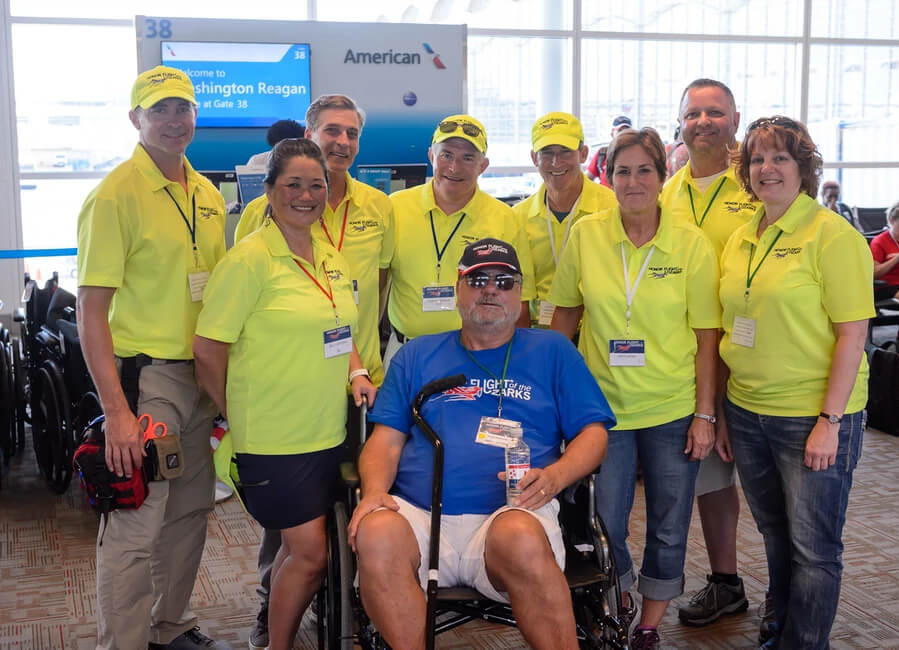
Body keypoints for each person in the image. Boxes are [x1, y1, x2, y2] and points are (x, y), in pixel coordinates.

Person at [349, 238, 614, 650]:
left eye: (504, 281)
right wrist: (376, 494)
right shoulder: (416, 355)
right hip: (420, 516)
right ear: (458, 288)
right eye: (478, 280)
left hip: (512, 511)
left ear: (520, 293)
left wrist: (556, 476)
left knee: (520, 536)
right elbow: (385, 440)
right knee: (376, 532)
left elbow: (594, 434)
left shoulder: (553, 351)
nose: (491, 289)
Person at [194, 138, 377, 649]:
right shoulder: (249, 259)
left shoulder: (330, 257)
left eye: (315, 185)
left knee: (307, 551)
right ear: (269, 192)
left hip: (330, 429)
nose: (306, 195)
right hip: (275, 438)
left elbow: (343, 331)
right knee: (311, 554)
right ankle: (276, 645)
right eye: (292, 184)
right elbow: (208, 349)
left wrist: (358, 371)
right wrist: (238, 413)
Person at [76, 65, 231, 650]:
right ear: (136, 119)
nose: (173, 120)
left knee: (190, 511)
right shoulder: (115, 195)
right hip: (148, 383)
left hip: (200, 376)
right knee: (137, 520)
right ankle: (125, 641)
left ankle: (169, 626)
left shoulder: (208, 194)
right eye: (159, 109)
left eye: (182, 109)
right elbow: (92, 311)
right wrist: (117, 410)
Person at [232, 95, 395, 649]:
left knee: (345, 498)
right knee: (289, 523)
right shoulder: (262, 217)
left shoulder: (379, 206)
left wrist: (359, 363)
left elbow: (380, 283)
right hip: (287, 393)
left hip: (357, 380)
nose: (342, 142)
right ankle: (269, 608)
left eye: (351, 133)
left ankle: (350, 604)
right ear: (309, 132)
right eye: (332, 131)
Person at [549, 126, 721, 650]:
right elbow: (566, 316)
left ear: (661, 175)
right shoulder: (587, 234)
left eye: (644, 170)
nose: (633, 181)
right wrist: (552, 399)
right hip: (603, 411)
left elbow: (707, 335)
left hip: (672, 407)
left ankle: (648, 624)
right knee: (606, 523)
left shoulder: (690, 243)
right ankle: (617, 605)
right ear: (608, 175)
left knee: (670, 524)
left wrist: (705, 415)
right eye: (622, 171)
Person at [721, 115, 873, 649]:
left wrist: (830, 422)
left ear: (804, 168)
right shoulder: (743, 236)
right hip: (746, 410)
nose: (767, 168)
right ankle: (777, 624)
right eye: (757, 159)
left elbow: (853, 336)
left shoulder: (833, 236)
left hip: (811, 416)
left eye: (780, 157)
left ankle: (804, 643)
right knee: (775, 534)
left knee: (814, 548)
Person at [657, 78, 757, 629]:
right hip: (685, 358)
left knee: (762, 489)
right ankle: (726, 582)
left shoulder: (756, 187)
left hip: (743, 357)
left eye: (714, 112)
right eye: (693, 113)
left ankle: (760, 586)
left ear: (735, 120)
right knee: (709, 480)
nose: (703, 122)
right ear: (680, 122)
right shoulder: (667, 192)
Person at [385, 114, 534, 358]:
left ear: (483, 166)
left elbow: (521, 300)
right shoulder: (395, 208)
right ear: (431, 156)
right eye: (446, 155)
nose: (454, 167)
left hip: (478, 355)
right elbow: (378, 285)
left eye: (468, 158)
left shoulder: (505, 218)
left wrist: (514, 361)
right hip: (405, 351)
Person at [512, 111, 616, 326]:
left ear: (583, 154)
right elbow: (517, 293)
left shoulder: (612, 207)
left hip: (596, 333)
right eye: (547, 153)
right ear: (534, 158)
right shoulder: (518, 217)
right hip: (539, 331)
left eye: (565, 152)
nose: (556, 162)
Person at [586, 115, 633, 187]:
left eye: (627, 131)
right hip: (603, 197)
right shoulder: (602, 154)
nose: (624, 134)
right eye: (620, 130)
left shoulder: (637, 156)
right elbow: (586, 180)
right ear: (612, 133)